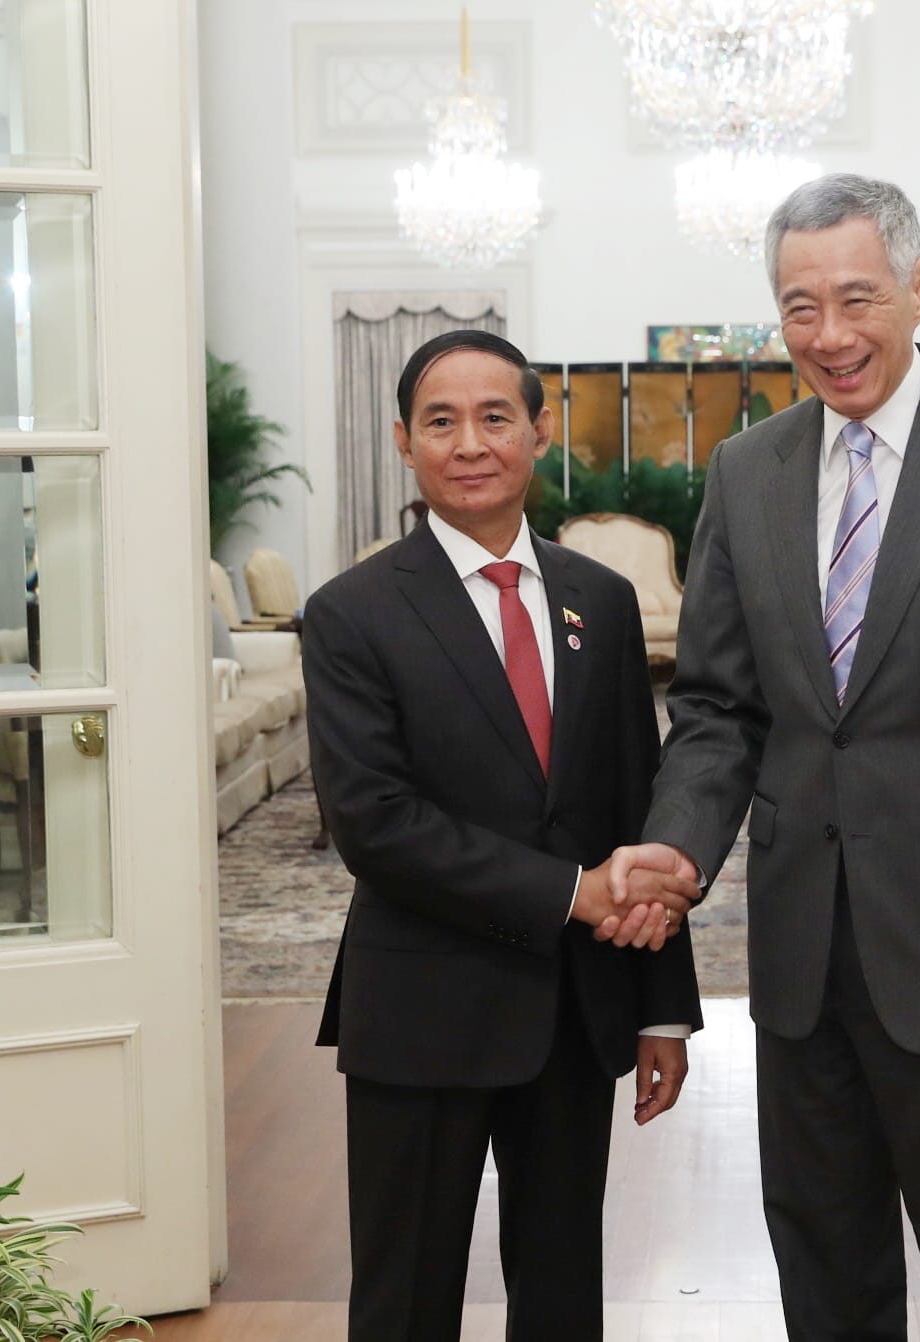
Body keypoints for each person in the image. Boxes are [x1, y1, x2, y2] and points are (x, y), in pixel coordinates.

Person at [609, 174, 920, 1340]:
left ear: (919, 288)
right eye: (799, 308)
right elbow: (720, 708)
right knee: (824, 1271)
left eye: (856, 298)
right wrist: (678, 847)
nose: (829, 337)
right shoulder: (748, 470)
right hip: (799, 954)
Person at [305, 329, 704, 1342]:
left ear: (538, 431)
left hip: (575, 1011)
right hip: (422, 1010)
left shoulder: (599, 601)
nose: (469, 442)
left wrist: (662, 1008)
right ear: (405, 440)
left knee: (565, 1293)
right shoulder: (351, 614)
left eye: (495, 417)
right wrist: (573, 892)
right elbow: (375, 824)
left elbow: (636, 808)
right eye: (441, 421)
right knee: (405, 1300)